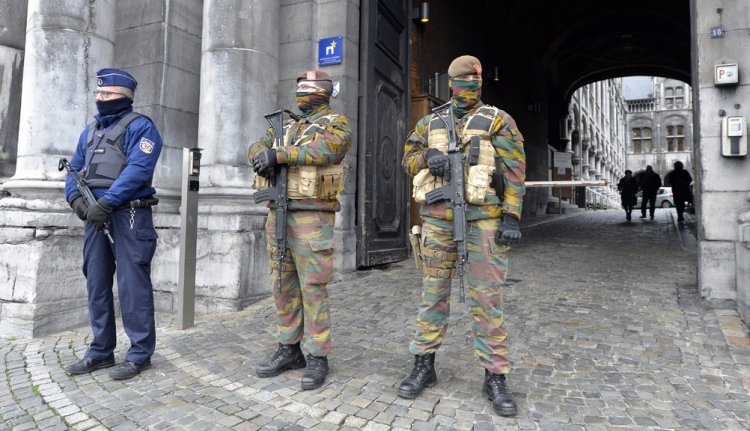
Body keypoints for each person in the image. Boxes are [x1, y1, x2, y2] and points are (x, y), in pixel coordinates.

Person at [399, 55, 525, 417]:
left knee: (487, 300)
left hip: (483, 220)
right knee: (433, 295)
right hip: (438, 220)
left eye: (475, 82)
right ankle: (423, 364)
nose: (470, 87)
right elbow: (408, 159)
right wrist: (428, 156)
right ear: (451, 85)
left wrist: (511, 216)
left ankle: (495, 376)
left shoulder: (498, 120)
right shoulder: (430, 122)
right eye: (464, 82)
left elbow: (514, 171)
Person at [248, 70, 352, 390]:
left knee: (313, 287)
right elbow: (257, 144)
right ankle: (289, 349)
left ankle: (318, 355)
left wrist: (279, 154)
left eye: (307, 87)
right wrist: (260, 155)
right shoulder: (285, 126)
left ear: (324, 92)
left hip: (312, 217)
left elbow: (328, 150)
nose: (301, 93)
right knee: (282, 284)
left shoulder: (336, 123)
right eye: (299, 88)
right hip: (278, 212)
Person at [64, 68, 162, 380]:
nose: (99, 97)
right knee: (96, 282)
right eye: (98, 92)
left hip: (129, 214)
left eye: (106, 93)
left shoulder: (142, 128)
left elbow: (137, 170)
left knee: (133, 286)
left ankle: (139, 354)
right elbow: (73, 170)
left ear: (125, 96)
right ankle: (100, 351)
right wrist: (77, 202)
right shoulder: (89, 132)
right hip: (94, 217)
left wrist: (107, 202)